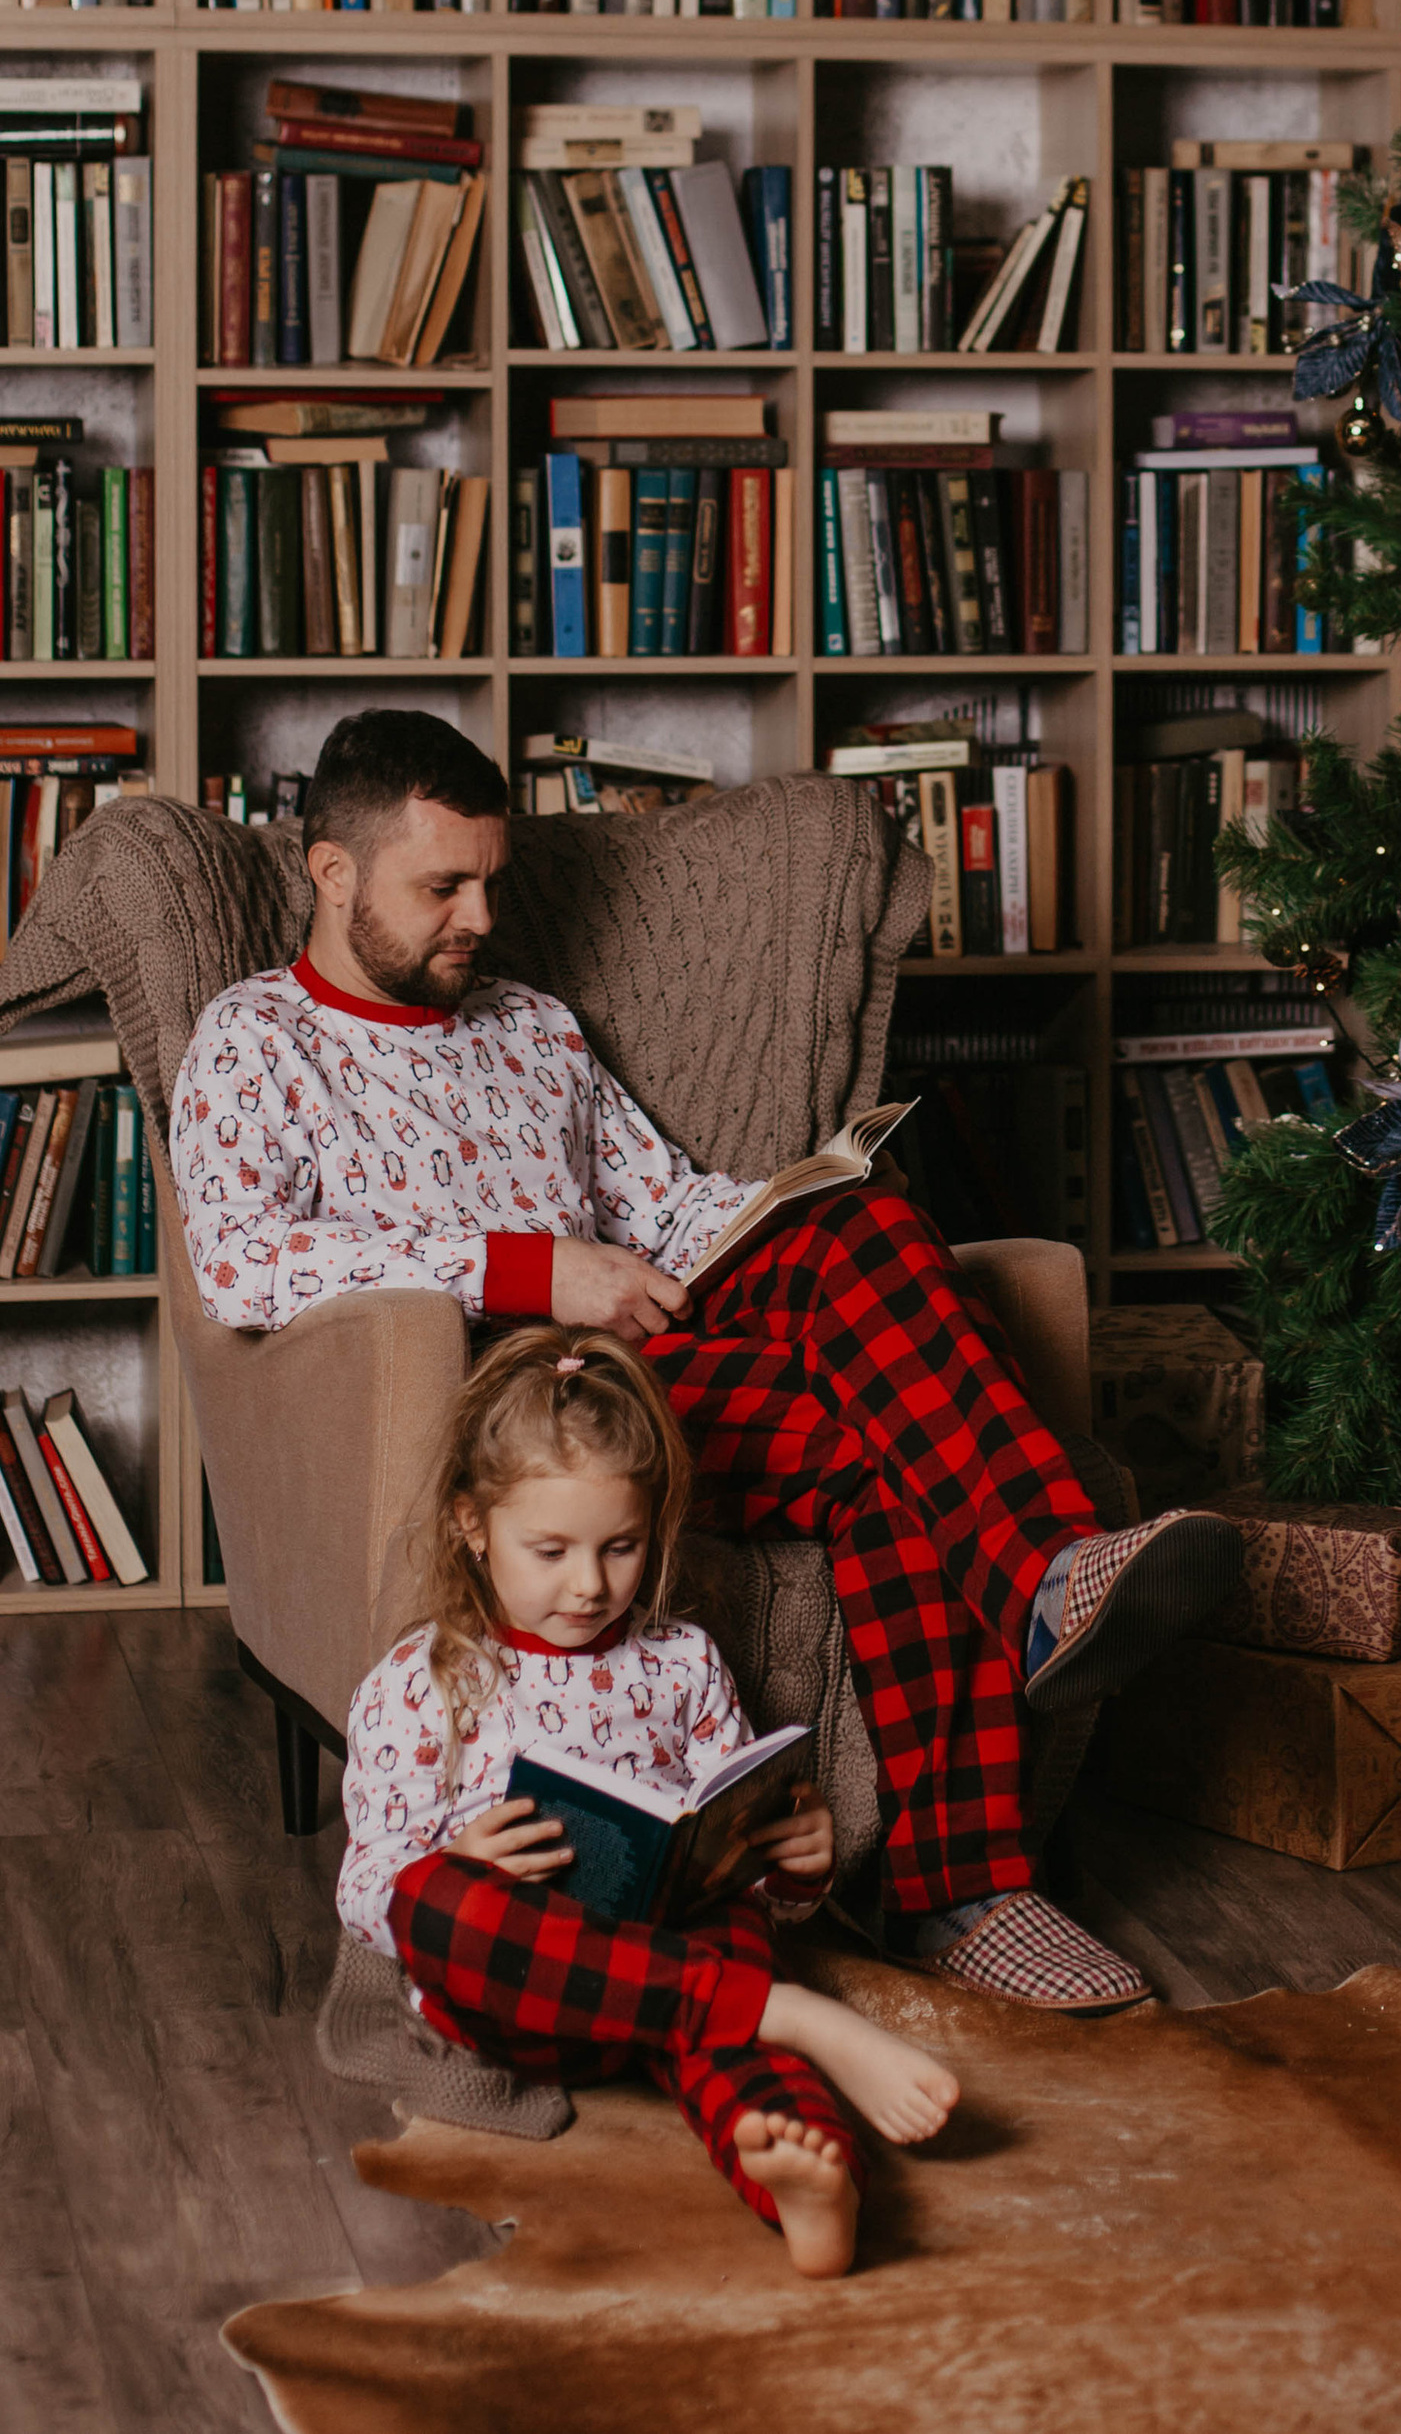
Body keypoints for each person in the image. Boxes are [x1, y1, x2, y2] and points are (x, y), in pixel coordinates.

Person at [174, 710, 1243, 2011]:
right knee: (878, 1439)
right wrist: (529, 1269)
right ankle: (959, 1889)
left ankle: (1049, 1577)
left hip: (640, 1352)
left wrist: (800, 1198)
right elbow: (241, 1262)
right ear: (334, 870)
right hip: (504, 1402)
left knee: (868, 1228)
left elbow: (665, 1205)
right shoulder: (254, 1039)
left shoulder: (532, 1023)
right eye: (443, 885)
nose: (480, 917)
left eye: (491, 882)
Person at [342, 1325, 955, 2275]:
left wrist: (793, 1864)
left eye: (620, 1546)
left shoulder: (681, 1661)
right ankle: (789, 2014)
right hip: (528, 1989)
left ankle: (815, 2188)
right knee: (436, 1903)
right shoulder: (422, 1680)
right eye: (550, 1550)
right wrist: (457, 1859)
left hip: (672, 1953)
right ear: (472, 1523)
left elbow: (733, 1843)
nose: (591, 1584)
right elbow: (366, 1886)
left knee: (738, 2005)